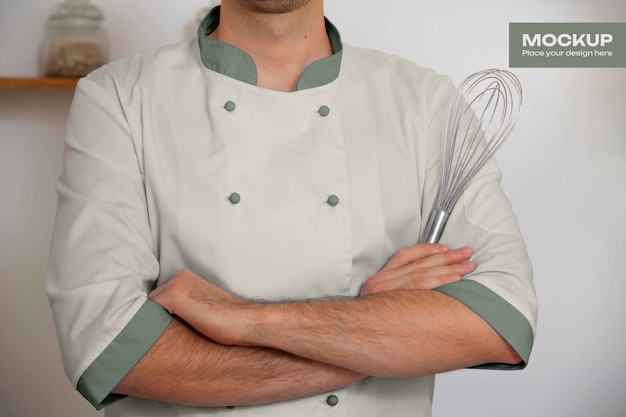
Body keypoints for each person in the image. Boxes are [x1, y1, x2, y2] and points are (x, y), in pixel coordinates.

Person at [45, 1, 538, 416]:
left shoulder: (426, 102)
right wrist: (380, 329)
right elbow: (114, 351)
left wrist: (242, 319)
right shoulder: (118, 97)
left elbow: (499, 322)